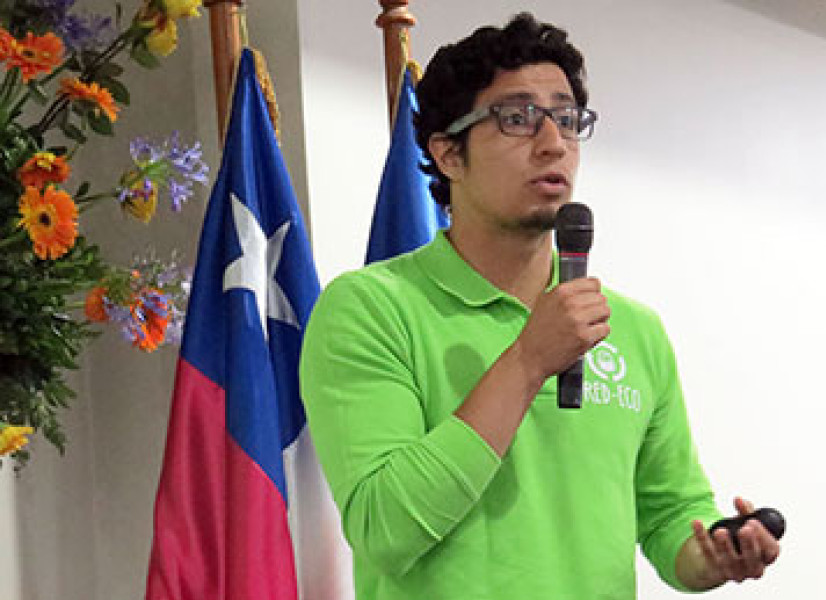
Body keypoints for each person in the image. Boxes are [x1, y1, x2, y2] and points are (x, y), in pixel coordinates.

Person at [300, 12, 780, 600]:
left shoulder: (631, 329)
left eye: (568, 120)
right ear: (449, 155)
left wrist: (714, 554)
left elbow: (671, 516)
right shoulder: (370, 309)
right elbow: (386, 529)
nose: (554, 144)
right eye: (518, 118)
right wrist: (529, 360)